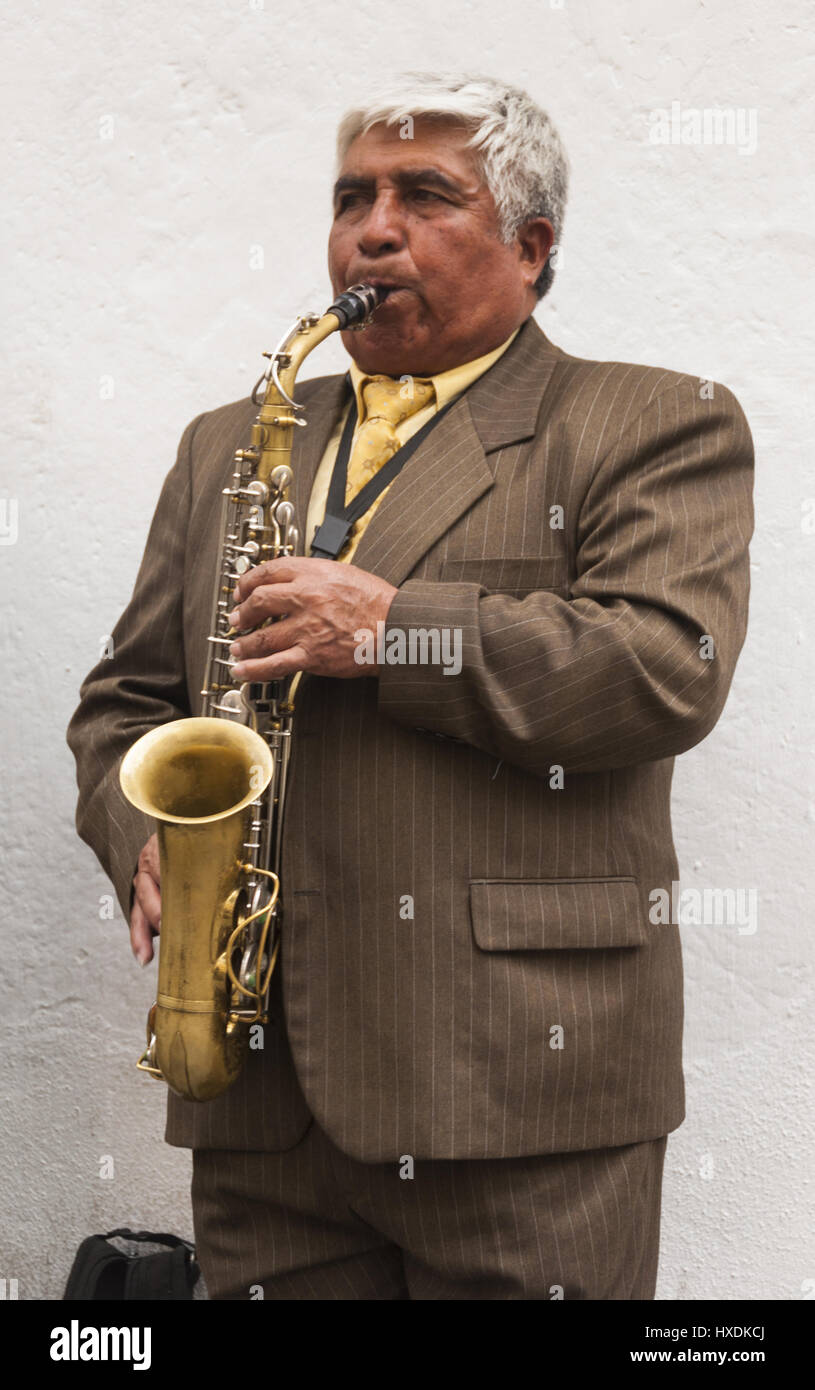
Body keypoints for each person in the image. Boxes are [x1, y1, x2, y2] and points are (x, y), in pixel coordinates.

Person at [67, 71, 754, 1300]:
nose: (370, 229)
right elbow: (124, 701)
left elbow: (665, 669)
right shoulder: (224, 442)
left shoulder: (651, 420)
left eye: (425, 194)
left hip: (516, 1095)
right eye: (351, 197)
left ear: (530, 245)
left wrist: (395, 631)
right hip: (260, 1096)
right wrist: (145, 839)